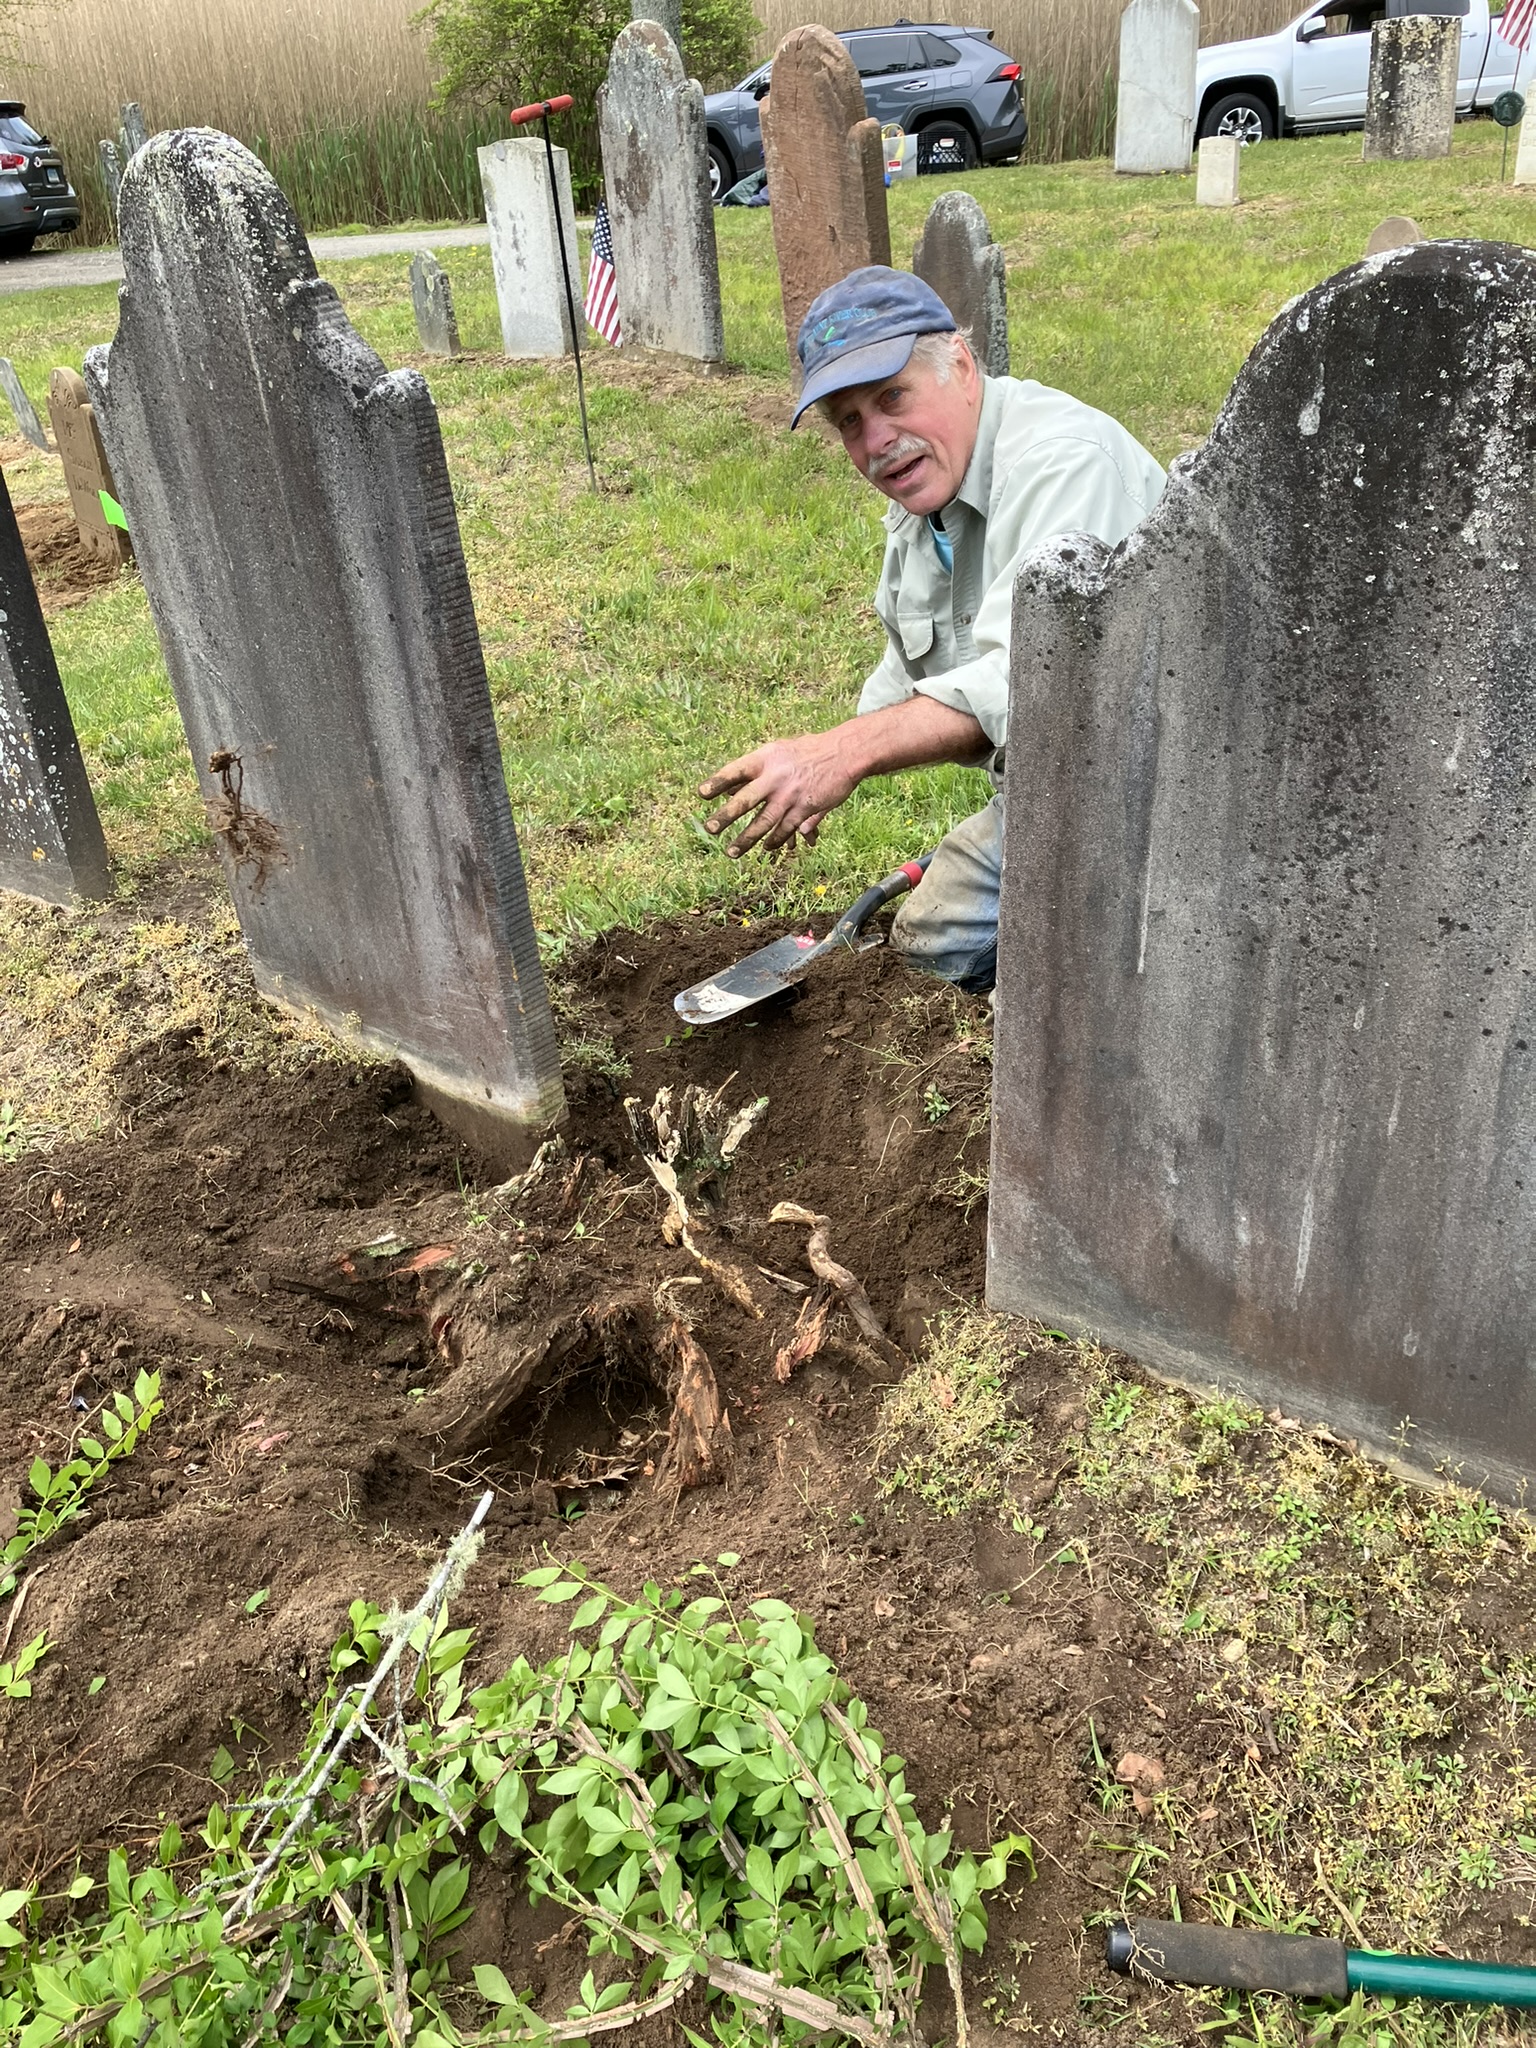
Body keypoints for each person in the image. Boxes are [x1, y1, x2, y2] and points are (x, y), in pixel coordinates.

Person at [698, 266, 1166, 992]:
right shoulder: (928, 501)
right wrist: (819, 766)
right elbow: (908, 674)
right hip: (1064, 774)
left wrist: (842, 755)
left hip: (1156, 786)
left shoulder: (1061, 466)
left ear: (962, 366)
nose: (877, 440)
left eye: (892, 397)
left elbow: (1027, 690)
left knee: (936, 946)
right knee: (927, 940)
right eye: (849, 421)